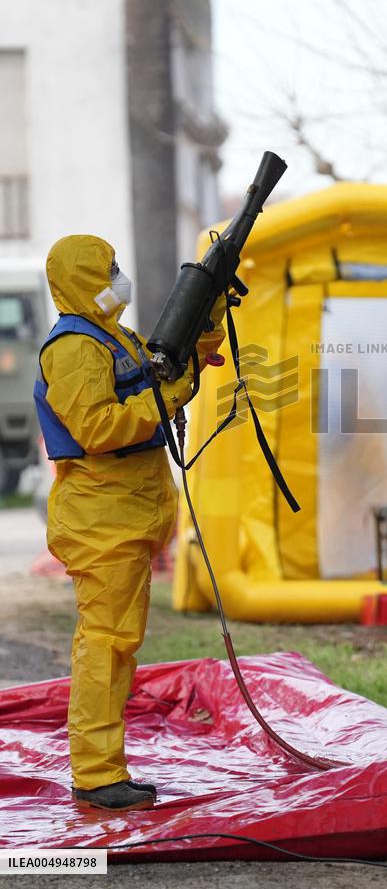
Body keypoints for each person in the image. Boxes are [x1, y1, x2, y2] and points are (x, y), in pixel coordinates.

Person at [33, 235, 226, 811]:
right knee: (106, 647)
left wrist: (210, 306)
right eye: (109, 268)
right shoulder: (73, 350)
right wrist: (165, 399)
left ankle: (103, 768)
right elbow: (98, 428)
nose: (119, 276)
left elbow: (174, 366)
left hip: (126, 515)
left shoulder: (116, 337)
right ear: (84, 277)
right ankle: (96, 776)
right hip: (101, 521)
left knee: (116, 643)